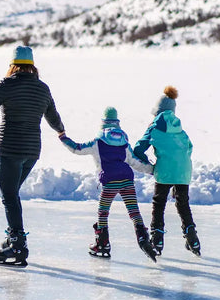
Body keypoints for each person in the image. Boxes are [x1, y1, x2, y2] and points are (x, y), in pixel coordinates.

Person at [0, 45, 65, 267]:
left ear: (12, 65)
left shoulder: (7, 84)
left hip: (10, 149)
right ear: (32, 66)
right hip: (32, 151)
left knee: (9, 196)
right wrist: (60, 130)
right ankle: (14, 237)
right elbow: (53, 115)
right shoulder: (42, 88)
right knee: (12, 194)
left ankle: (18, 244)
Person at [59, 107, 157, 261]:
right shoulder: (123, 141)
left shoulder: (97, 142)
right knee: (134, 211)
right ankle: (143, 238)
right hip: (127, 181)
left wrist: (63, 137)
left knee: (103, 213)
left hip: (110, 182)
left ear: (103, 123)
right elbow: (135, 162)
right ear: (117, 123)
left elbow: (77, 148)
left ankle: (102, 243)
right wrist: (153, 170)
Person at [132, 86, 201, 257]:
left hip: (165, 171)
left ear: (158, 110)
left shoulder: (154, 127)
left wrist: (151, 166)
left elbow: (138, 149)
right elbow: (189, 148)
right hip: (184, 171)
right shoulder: (180, 128)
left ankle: (157, 239)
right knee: (183, 204)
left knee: (159, 203)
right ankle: (192, 238)